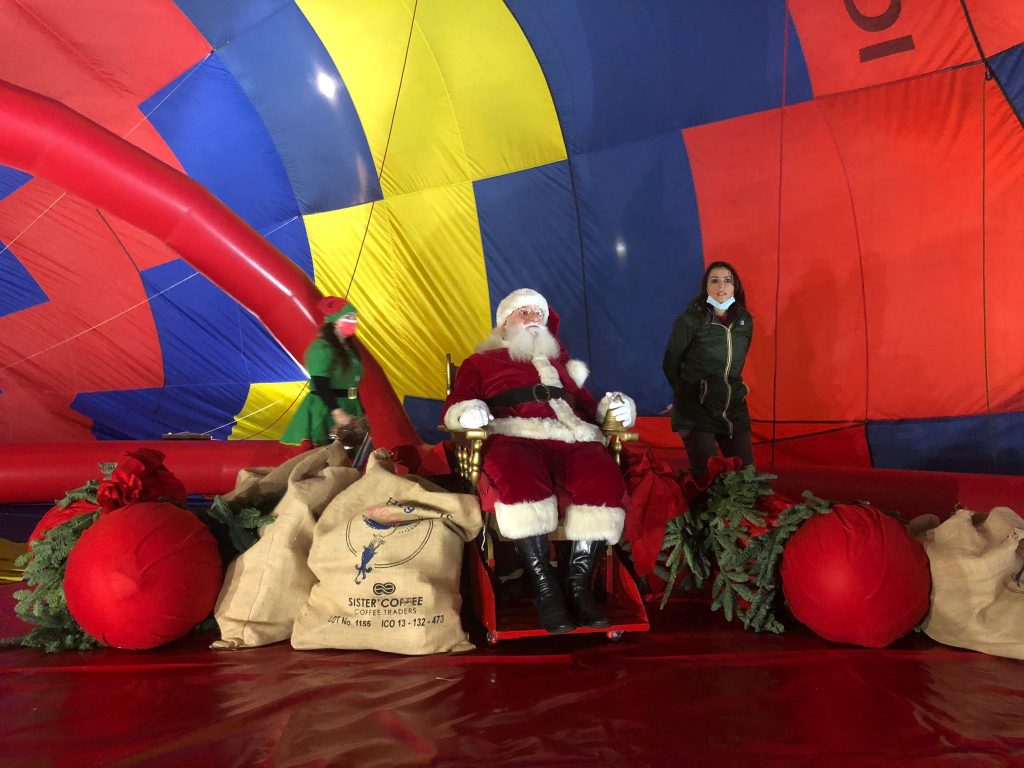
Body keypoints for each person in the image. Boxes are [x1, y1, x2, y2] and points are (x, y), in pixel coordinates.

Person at [442, 288, 637, 634]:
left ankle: (577, 585)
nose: (534, 320)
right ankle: (544, 588)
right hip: (513, 434)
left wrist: (615, 408)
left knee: (603, 476)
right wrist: (469, 411)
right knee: (519, 477)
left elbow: (590, 407)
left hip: (571, 437)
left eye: (539, 315)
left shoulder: (560, 367)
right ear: (505, 324)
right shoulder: (480, 363)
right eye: (525, 313)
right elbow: (457, 403)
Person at [662, 261, 755, 482]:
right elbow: (670, 363)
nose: (721, 286)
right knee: (707, 481)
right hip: (698, 411)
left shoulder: (745, 321)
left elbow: (738, 361)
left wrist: (733, 388)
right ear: (706, 287)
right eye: (715, 281)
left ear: (735, 286)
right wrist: (685, 394)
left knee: (748, 480)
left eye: (727, 281)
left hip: (733, 409)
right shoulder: (690, 320)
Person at [281, 296, 366, 448]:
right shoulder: (321, 347)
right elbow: (321, 383)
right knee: (325, 454)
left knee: (350, 454)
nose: (353, 321)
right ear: (334, 321)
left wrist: (359, 410)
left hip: (349, 405)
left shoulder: (349, 349)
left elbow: (352, 383)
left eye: (354, 317)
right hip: (325, 408)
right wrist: (337, 411)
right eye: (348, 317)